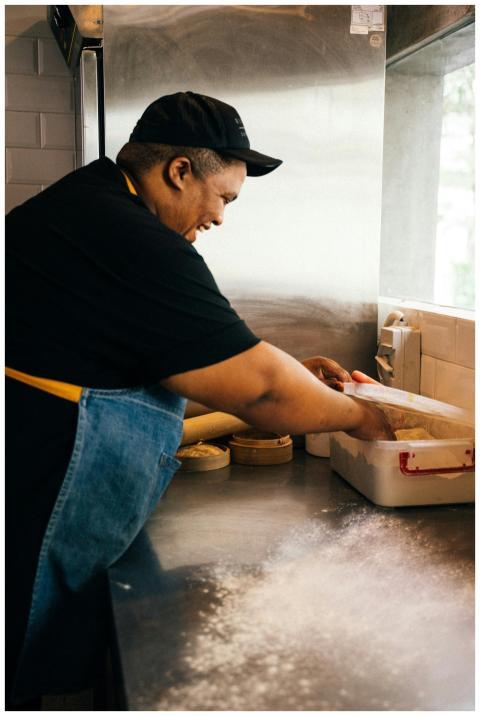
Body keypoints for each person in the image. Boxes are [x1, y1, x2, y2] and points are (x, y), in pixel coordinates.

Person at [5, 90, 393, 707]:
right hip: (32, 507)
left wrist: (296, 380)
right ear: (180, 171)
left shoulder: (93, 209)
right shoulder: (132, 236)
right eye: (224, 199)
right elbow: (262, 388)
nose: (218, 220)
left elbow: (148, 391)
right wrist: (367, 417)